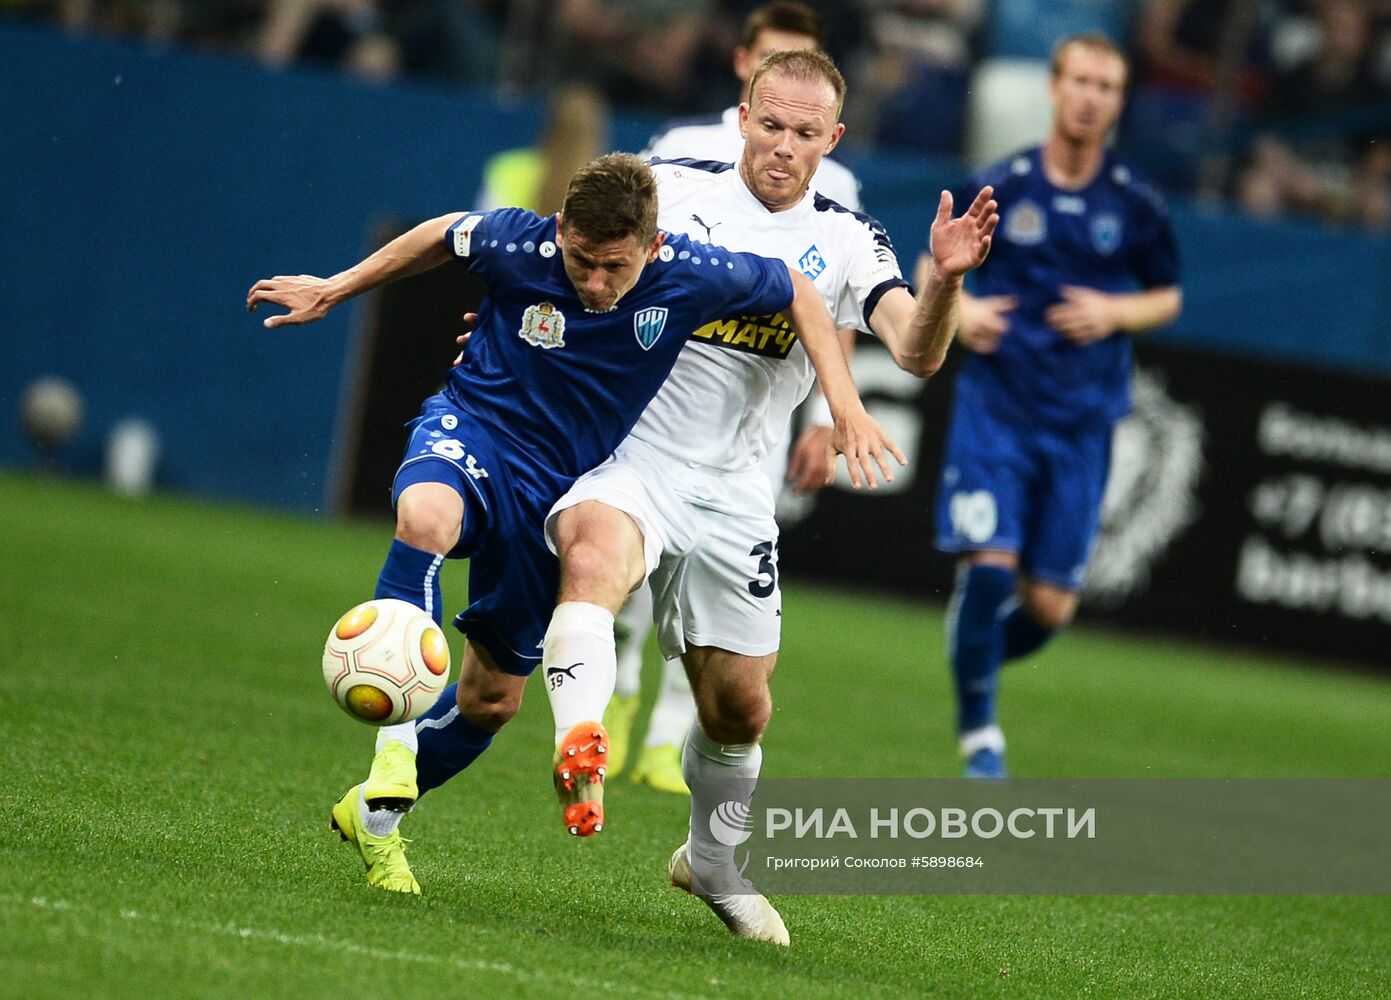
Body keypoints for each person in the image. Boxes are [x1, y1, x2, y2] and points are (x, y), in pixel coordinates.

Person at [408, 49, 996, 944]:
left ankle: (711, 862)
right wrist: (507, 334)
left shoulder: (847, 237)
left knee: (740, 708)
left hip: (736, 489)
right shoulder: (667, 189)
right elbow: (553, 259)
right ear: (742, 117)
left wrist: (946, 279)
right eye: (770, 125)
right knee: (594, 562)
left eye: (805, 134)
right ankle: (581, 748)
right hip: (628, 457)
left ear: (831, 139)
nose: (784, 147)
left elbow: (914, 352)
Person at [246, 152, 898, 895]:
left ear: (653, 248)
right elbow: (437, 234)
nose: (592, 282)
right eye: (580, 261)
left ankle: (379, 815)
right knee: (425, 514)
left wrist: (842, 404)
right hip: (477, 429)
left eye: (611, 268)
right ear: (560, 230)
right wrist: (336, 287)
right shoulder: (519, 243)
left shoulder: (693, 273)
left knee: (491, 702)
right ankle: (394, 740)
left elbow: (798, 292)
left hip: (558, 488)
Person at [607, 0, 867, 795]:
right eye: (775, 57)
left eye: (806, 59)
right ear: (743, 69)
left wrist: (828, 413)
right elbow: (621, 249)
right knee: (622, 576)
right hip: (655, 413)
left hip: (749, 432)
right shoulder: (683, 152)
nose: (789, 132)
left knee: (712, 610)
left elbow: (839, 302)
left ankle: (664, 739)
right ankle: (612, 702)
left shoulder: (840, 189)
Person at [919, 33, 1183, 779]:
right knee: (993, 573)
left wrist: (1114, 311)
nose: (1091, 96)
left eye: (1107, 86)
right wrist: (960, 313)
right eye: (1081, 81)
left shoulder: (1133, 200)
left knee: (1049, 612)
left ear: (1118, 101)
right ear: (1055, 87)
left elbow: (1167, 293)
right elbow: (929, 261)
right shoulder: (1004, 184)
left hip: (1083, 423)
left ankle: (972, 653)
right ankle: (979, 734)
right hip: (996, 410)